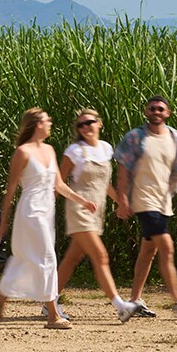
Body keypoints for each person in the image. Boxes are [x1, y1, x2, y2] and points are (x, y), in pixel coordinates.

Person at [0, 108, 97, 330]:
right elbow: (10, 190)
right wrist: (3, 221)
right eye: (47, 120)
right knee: (47, 257)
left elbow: (59, 185)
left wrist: (83, 201)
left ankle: (2, 294)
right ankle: (53, 315)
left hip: (46, 210)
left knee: (29, 258)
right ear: (38, 124)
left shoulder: (49, 150)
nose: (50, 123)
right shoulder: (23, 152)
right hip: (30, 211)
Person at [114, 95, 177, 317]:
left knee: (149, 250)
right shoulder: (135, 137)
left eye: (160, 109)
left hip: (163, 201)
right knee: (167, 247)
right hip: (143, 200)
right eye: (152, 108)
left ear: (167, 113)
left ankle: (134, 301)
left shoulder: (173, 136)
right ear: (146, 112)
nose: (156, 112)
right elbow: (123, 170)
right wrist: (123, 199)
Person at [45, 109, 141, 323]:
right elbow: (58, 183)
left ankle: (49, 302)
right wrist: (46, 207)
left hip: (97, 211)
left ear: (99, 124)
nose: (85, 127)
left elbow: (104, 184)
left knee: (72, 259)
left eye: (89, 122)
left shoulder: (106, 149)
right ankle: (120, 306)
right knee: (101, 256)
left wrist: (120, 202)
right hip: (79, 209)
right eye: (81, 125)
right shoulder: (74, 151)